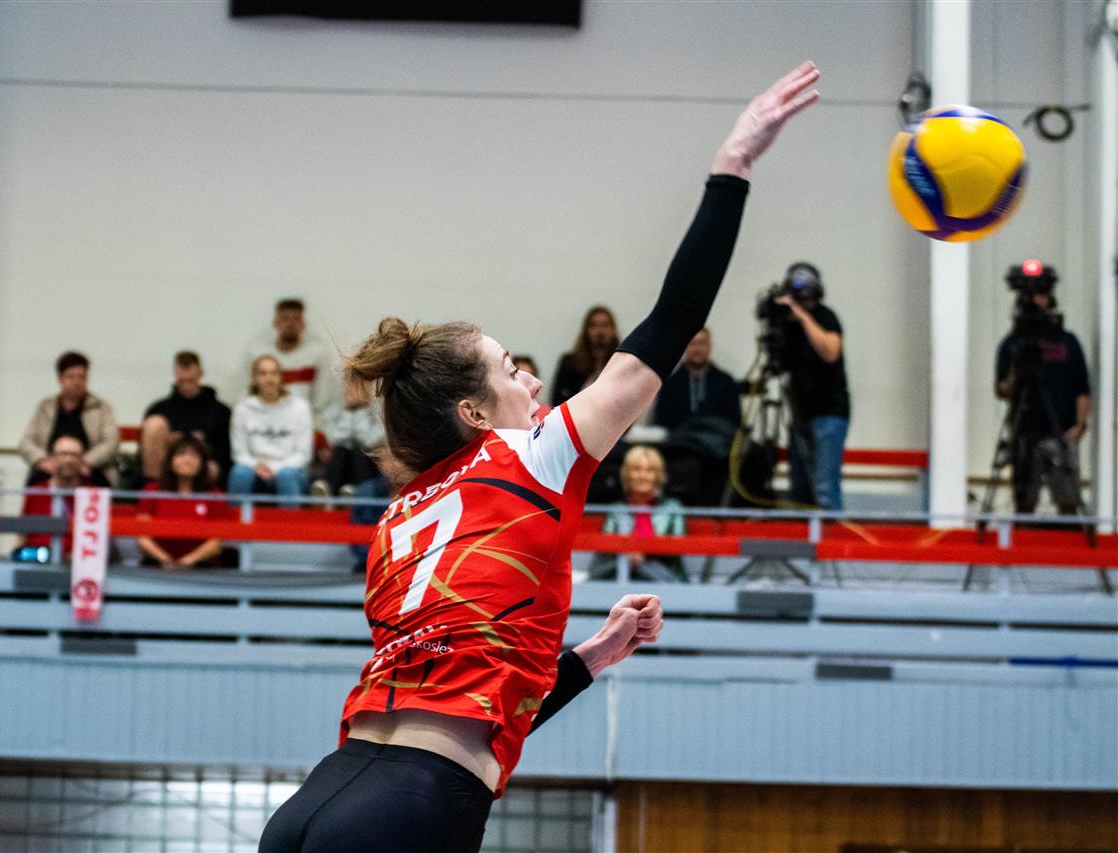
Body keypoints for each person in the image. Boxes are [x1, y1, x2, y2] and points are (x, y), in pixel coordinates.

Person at [259, 61, 820, 853]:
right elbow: (668, 325)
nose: (531, 378)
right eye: (509, 367)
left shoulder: (398, 516)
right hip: (414, 805)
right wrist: (734, 165)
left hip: (320, 798)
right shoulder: (531, 454)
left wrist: (594, 655)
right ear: (473, 411)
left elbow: (479, 695)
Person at [995, 262, 1091, 515]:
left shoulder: (1068, 342)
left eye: (1042, 294)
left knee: (1068, 499)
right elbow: (1002, 390)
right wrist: (1017, 367)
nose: (1038, 300)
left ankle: (1070, 538)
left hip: (1062, 432)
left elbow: (1083, 387)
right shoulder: (1012, 343)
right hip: (1025, 433)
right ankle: (1021, 538)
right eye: (1032, 295)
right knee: (1024, 501)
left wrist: (1080, 425)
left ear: (1051, 298)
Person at [773, 261, 850, 510]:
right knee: (800, 489)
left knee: (824, 488)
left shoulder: (825, 317)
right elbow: (777, 364)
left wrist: (803, 317)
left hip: (828, 413)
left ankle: (829, 532)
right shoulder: (787, 324)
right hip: (800, 414)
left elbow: (830, 352)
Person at [654, 328, 742, 505]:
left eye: (702, 343)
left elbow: (734, 421)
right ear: (685, 347)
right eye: (692, 343)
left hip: (718, 456)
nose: (697, 349)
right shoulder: (670, 384)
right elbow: (662, 420)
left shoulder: (726, 382)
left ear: (709, 346)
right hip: (681, 454)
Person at [18, 351, 119, 486]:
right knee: (34, 485)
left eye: (82, 377)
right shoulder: (45, 407)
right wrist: (42, 460)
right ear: (60, 379)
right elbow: (25, 443)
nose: (77, 382)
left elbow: (111, 443)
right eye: (71, 377)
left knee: (100, 486)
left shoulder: (101, 407)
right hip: (51, 468)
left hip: (89, 468)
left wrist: (85, 462)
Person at [591, 446, 686, 582]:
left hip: (662, 578)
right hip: (620, 574)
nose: (642, 476)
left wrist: (644, 553)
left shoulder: (672, 508)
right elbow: (607, 545)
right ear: (627, 474)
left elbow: (676, 547)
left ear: (658, 475)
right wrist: (628, 554)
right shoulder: (616, 508)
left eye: (649, 470)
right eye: (636, 470)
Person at [229, 354, 313, 507]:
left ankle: (290, 523)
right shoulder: (242, 408)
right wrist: (257, 466)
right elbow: (239, 453)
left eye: (274, 373)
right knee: (239, 473)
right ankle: (236, 522)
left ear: (281, 378)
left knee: (286, 476)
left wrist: (274, 468)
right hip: (253, 469)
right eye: (263, 373)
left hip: (290, 470)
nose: (269, 379)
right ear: (254, 378)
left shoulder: (300, 407)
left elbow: (303, 455)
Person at [136, 437, 233, 569]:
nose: (187, 460)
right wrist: (166, 560)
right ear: (170, 461)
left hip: (202, 567)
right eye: (181, 454)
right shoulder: (152, 490)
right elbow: (142, 536)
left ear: (203, 463)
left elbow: (217, 541)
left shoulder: (214, 496)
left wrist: (187, 562)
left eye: (194, 455)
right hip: (157, 566)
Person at [140, 351, 232, 487]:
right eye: (182, 381)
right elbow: (147, 450)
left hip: (205, 465)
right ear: (176, 375)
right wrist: (168, 441)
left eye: (191, 381)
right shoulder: (159, 409)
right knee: (154, 424)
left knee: (212, 467)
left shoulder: (221, 411)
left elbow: (227, 450)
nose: (187, 386)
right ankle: (154, 491)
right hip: (168, 466)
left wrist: (204, 446)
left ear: (200, 374)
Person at [244, 298, 338, 431]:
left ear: (303, 324)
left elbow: (323, 399)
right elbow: (251, 392)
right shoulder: (258, 354)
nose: (290, 323)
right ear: (275, 322)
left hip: (305, 425)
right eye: (285, 318)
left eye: (296, 319)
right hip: (266, 424)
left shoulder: (317, 354)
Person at [312, 370, 386, 500]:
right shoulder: (336, 412)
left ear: (367, 388)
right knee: (341, 450)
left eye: (355, 385)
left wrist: (359, 412)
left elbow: (370, 440)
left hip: (365, 462)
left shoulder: (376, 414)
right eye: (348, 384)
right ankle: (327, 492)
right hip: (340, 461)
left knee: (358, 451)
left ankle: (354, 492)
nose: (349, 389)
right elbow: (331, 438)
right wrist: (349, 412)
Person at [14, 435, 86, 560]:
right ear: (52, 458)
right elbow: (22, 535)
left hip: (79, 564)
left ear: (82, 461)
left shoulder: (93, 495)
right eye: (63, 454)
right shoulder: (35, 493)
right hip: (36, 561)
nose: (69, 460)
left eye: (74, 455)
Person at [550, 306, 619, 406]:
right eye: (594, 325)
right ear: (586, 331)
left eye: (605, 325)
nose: (599, 331)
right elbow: (557, 401)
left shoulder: (621, 363)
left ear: (613, 329)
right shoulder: (569, 363)